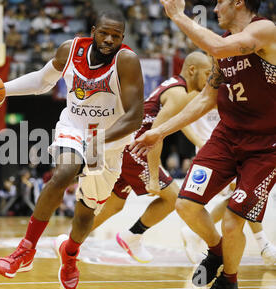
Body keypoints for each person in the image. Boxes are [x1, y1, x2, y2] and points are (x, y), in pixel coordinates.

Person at [0, 11, 144, 289]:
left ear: (122, 38)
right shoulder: (69, 50)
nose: (108, 39)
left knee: (85, 213)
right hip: (74, 127)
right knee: (64, 172)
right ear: (93, 30)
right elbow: (42, 81)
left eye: (115, 36)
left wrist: (100, 141)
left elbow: (135, 117)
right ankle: (25, 250)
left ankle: (69, 256)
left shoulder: (126, 61)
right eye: (104, 32)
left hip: (109, 141)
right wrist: (0, 90)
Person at [131, 0, 276, 289]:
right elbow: (205, 99)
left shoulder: (264, 30)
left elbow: (222, 48)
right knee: (186, 204)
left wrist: (177, 15)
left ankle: (228, 283)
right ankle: (217, 252)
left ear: (238, 2)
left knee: (234, 220)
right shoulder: (220, 46)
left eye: (219, 2)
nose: (215, 9)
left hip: (265, 146)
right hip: (227, 137)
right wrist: (159, 131)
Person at [89, 51, 212, 263]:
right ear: (192, 70)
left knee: (115, 204)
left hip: (128, 145)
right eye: (207, 73)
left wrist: (200, 143)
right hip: (138, 148)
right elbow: (155, 135)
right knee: (174, 197)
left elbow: (178, 123)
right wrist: (154, 177)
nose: (209, 79)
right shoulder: (178, 94)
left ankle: (70, 242)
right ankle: (133, 236)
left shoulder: (175, 86)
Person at [181, 107, 276, 266]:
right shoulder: (201, 88)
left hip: (234, 145)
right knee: (246, 195)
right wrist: (199, 142)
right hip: (216, 150)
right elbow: (183, 117)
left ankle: (264, 246)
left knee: (244, 196)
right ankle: (264, 245)